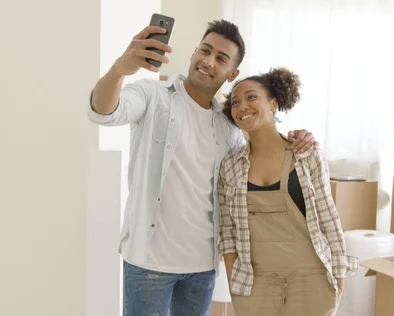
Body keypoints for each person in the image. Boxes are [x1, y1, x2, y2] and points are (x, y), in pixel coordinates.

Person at [87, 20, 317, 316]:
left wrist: (299, 138)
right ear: (194, 52)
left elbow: (263, 151)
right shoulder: (153, 96)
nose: (208, 61)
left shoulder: (229, 127)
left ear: (232, 73)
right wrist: (120, 69)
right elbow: (103, 113)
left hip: (203, 268)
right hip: (148, 265)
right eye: (205, 51)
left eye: (221, 58)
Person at [218, 67, 357, 316]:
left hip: (311, 279)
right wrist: (233, 280)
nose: (242, 107)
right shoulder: (229, 165)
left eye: (251, 97)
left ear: (273, 103)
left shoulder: (306, 153)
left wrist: (338, 278)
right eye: (235, 102)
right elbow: (227, 231)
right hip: (254, 284)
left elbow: (328, 217)